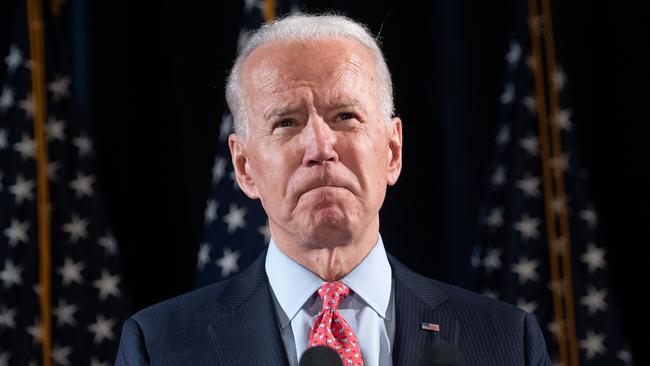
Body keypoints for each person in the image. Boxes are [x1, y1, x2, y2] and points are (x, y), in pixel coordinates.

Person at [116, 13, 551, 366]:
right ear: (245, 167)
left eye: (345, 116)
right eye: (286, 122)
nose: (321, 147)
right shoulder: (159, 346)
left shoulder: (507, 342)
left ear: (392, 151)